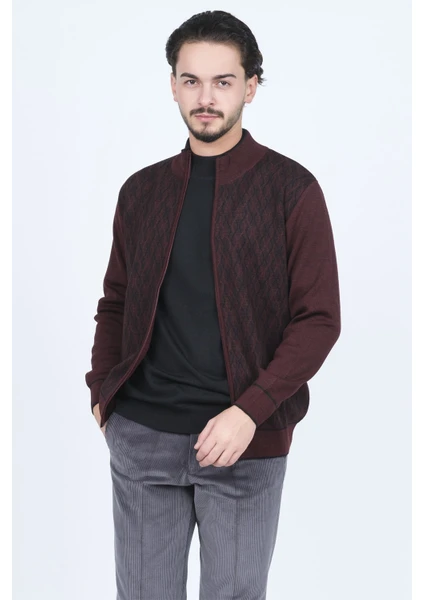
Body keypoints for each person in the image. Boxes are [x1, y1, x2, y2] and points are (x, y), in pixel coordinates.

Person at [85, 9, 341, 600]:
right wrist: (102, 391)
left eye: (223, 81)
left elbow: (319, 319)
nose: (206, 98)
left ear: (250, 87)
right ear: (173, 86)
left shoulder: (291, 190)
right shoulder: (141, 191)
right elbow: (115, 302)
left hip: (244, 443)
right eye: (191, 80)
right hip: (143, 437)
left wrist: (250, 411)